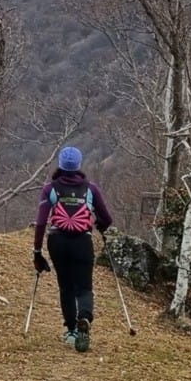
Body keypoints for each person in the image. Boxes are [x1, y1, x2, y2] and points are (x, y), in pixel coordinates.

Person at [31, 146, 113, 352]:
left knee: (66, 286)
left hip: (57, 242)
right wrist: (100, 226)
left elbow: (41, 222)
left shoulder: (50, 189)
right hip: (82, 242)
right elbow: (106, 218)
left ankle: (72, 331)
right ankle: (84, 317)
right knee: (84, 287)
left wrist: (37, 252)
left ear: (60, 164)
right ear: (78, 165)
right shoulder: (90, 189)